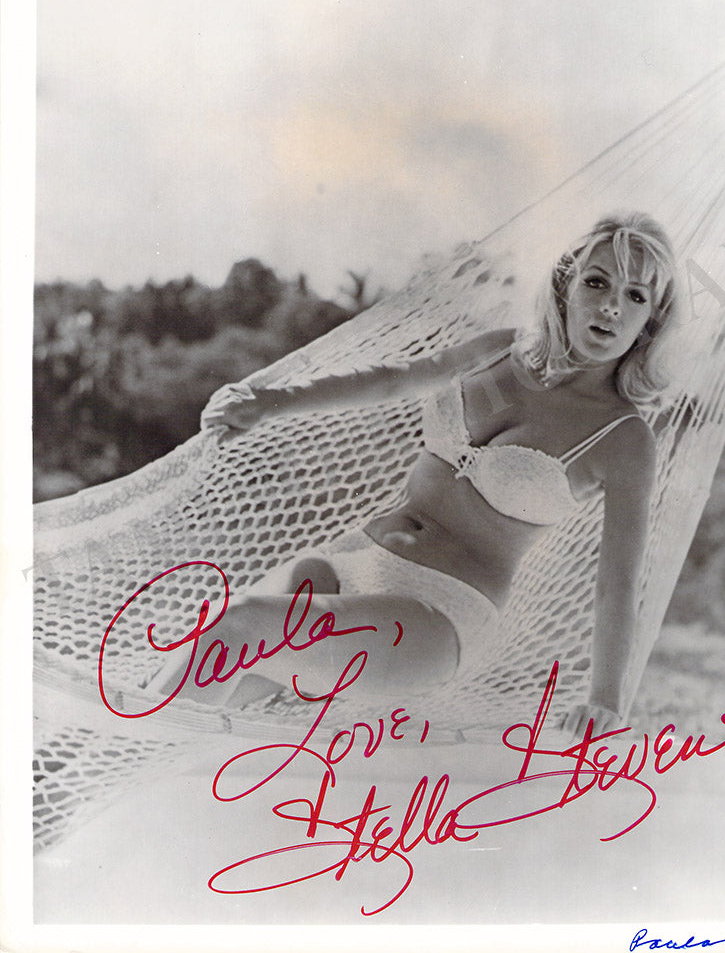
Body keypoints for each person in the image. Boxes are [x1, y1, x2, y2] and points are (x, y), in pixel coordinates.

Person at [154, 211, 679, 734]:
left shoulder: (623, 438)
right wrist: (270, 402)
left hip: (436, 614)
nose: (611, 306)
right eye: (596, 282)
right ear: (565, 288)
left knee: (235, 628)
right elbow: (394, 379)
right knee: (193, 688)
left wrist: (605, 702)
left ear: (650, 324)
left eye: (635, 296)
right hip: (348, 560)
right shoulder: (501, 352)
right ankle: (114, 771)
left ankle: (113, 760)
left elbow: (616, 584)